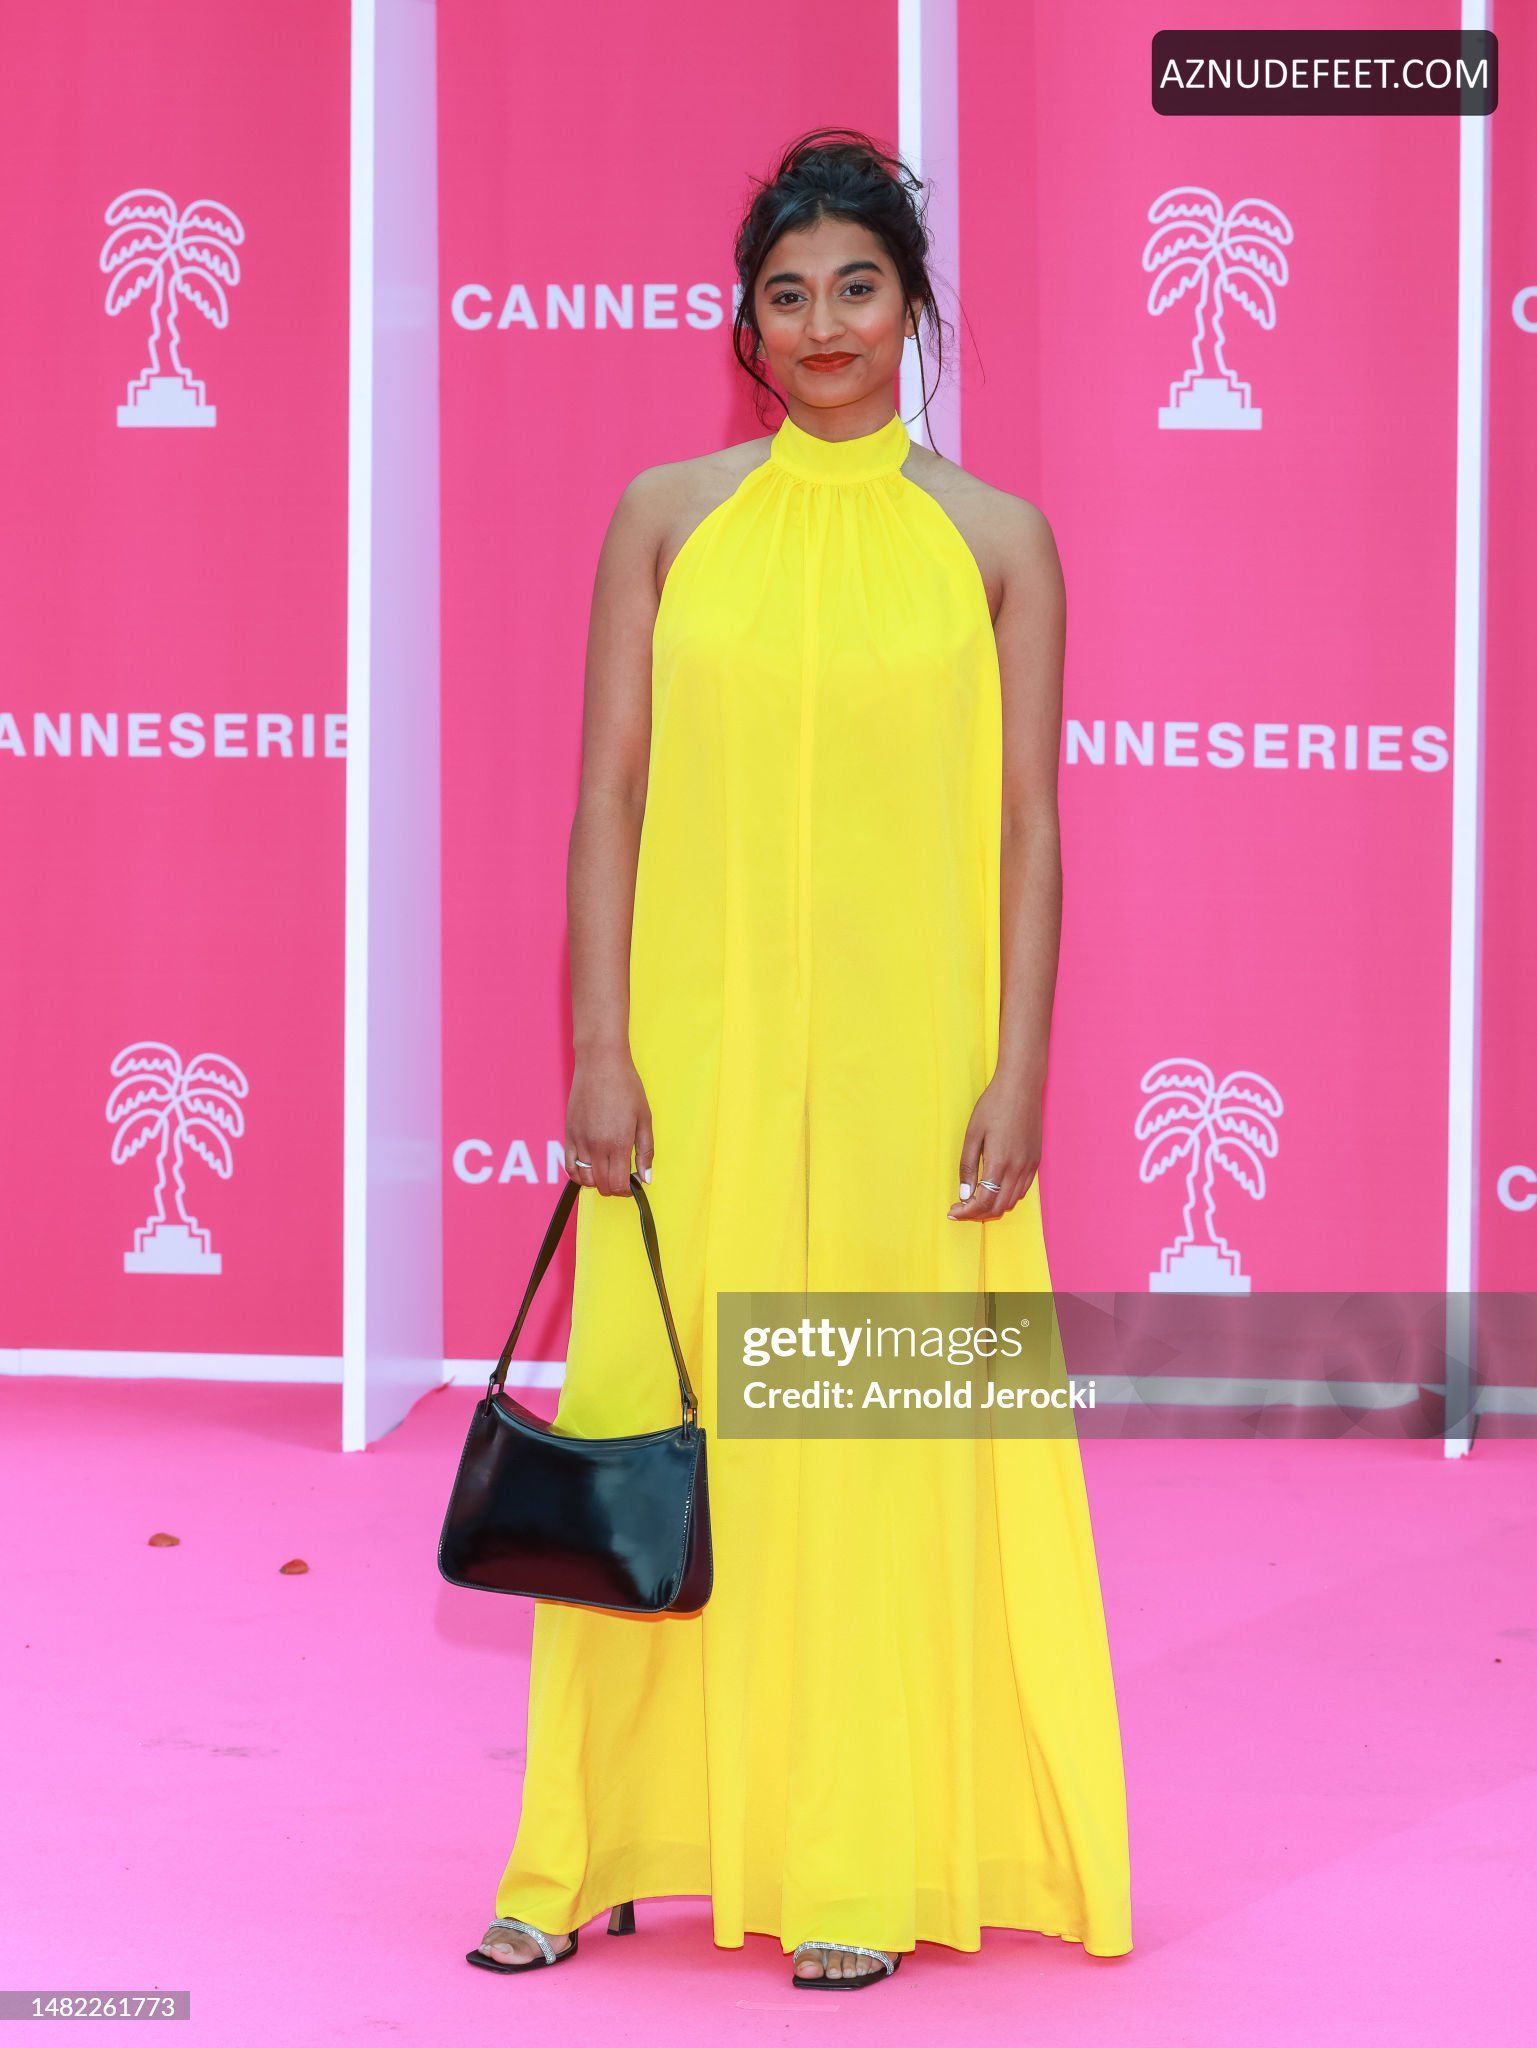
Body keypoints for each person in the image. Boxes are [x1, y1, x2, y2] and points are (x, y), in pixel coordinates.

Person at [469, 126, 1132, 1990]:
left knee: (861, 1447)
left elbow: (1030, 828)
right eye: (788, 294)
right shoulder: (666, 518)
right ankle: (585, 1849)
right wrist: (599, 1048)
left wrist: (1019, 1072)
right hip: (694, 1057)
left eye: (858, 287)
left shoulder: (997, 541)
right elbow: (606, 801)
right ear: (745, 328)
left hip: (916, 1072)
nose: (824, 323)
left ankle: (853, 1858)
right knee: (646, 1430)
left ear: (912, 310)